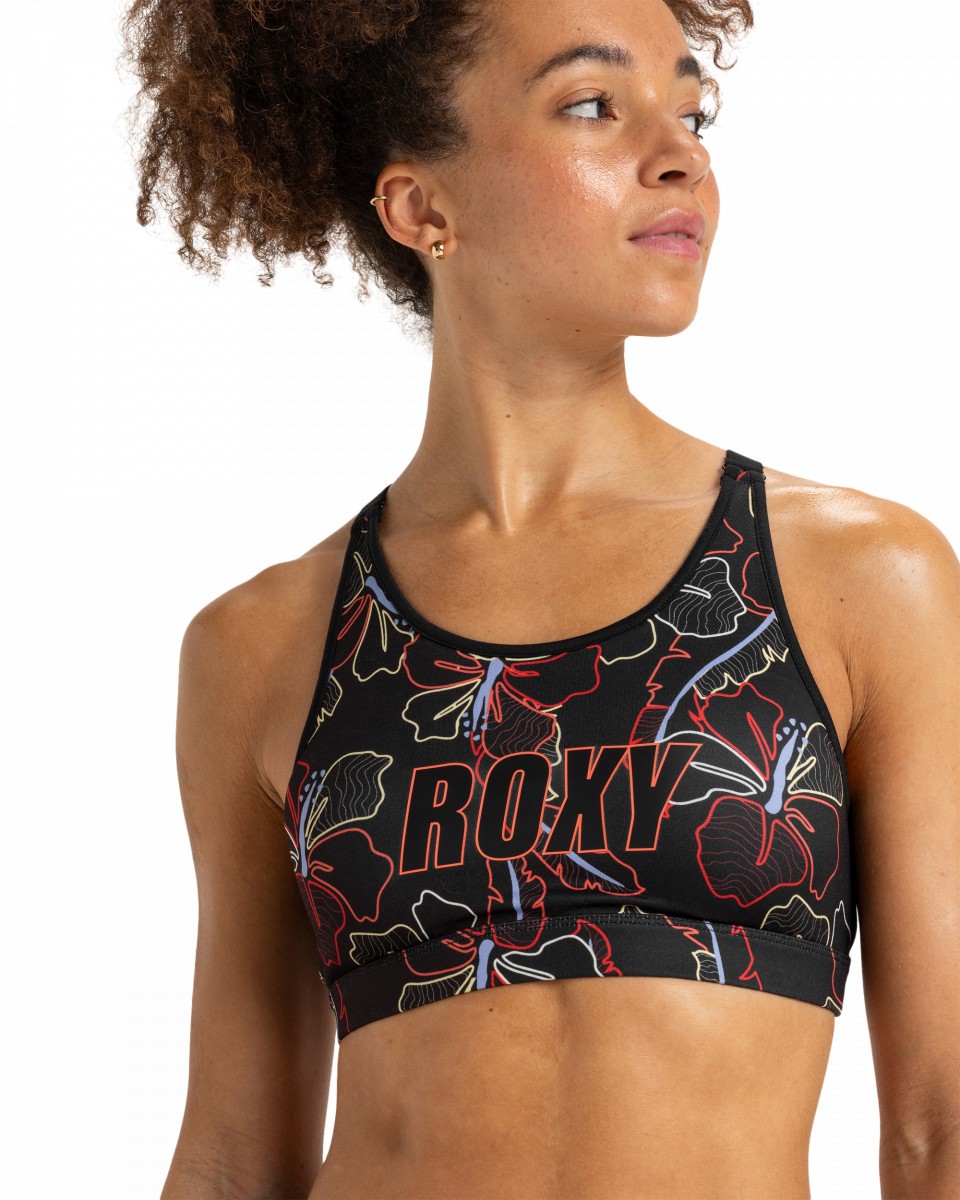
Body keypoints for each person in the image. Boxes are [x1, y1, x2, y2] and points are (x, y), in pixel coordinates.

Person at [120, 1, 960, 1197]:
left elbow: (939, 1126)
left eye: (692, 110)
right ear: (420, 208)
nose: (678, 155)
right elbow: (230, 1160)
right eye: (593, 105)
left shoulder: (856, 580)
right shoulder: (265, 645)